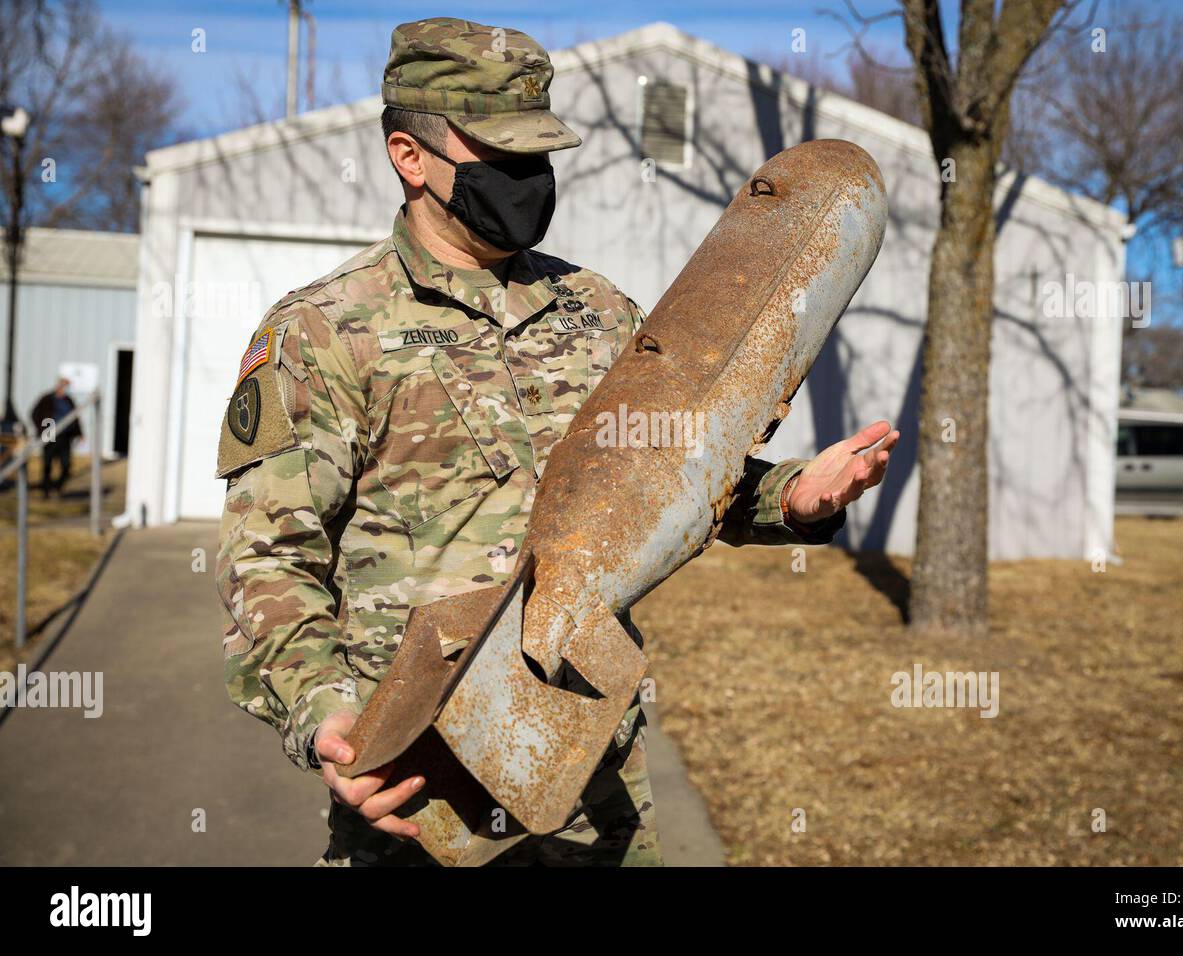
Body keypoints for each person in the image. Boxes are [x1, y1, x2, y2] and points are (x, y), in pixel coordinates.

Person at [215, 16, 900, 867]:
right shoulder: (323, 330)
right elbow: (267, 558)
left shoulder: (598, 310)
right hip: (422, 785)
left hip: (590, 780)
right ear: (410, 156)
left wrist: (790, 498)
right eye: (502, 160)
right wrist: (325, 713)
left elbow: (663, 477)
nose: (529, 180)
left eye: (539, 157)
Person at [29, 378, 81, 498]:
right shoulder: (47, 399)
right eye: (63, 386)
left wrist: (79, 433)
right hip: (50, 437)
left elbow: (75, 417)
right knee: (47, 464)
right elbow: (34, 414)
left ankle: (57, 486)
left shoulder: (68, 400)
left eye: (66, 387)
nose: (64, 389)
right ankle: (46, 490)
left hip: (65, 437)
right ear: (58, 386)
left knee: (66, 465)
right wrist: (42, 429)